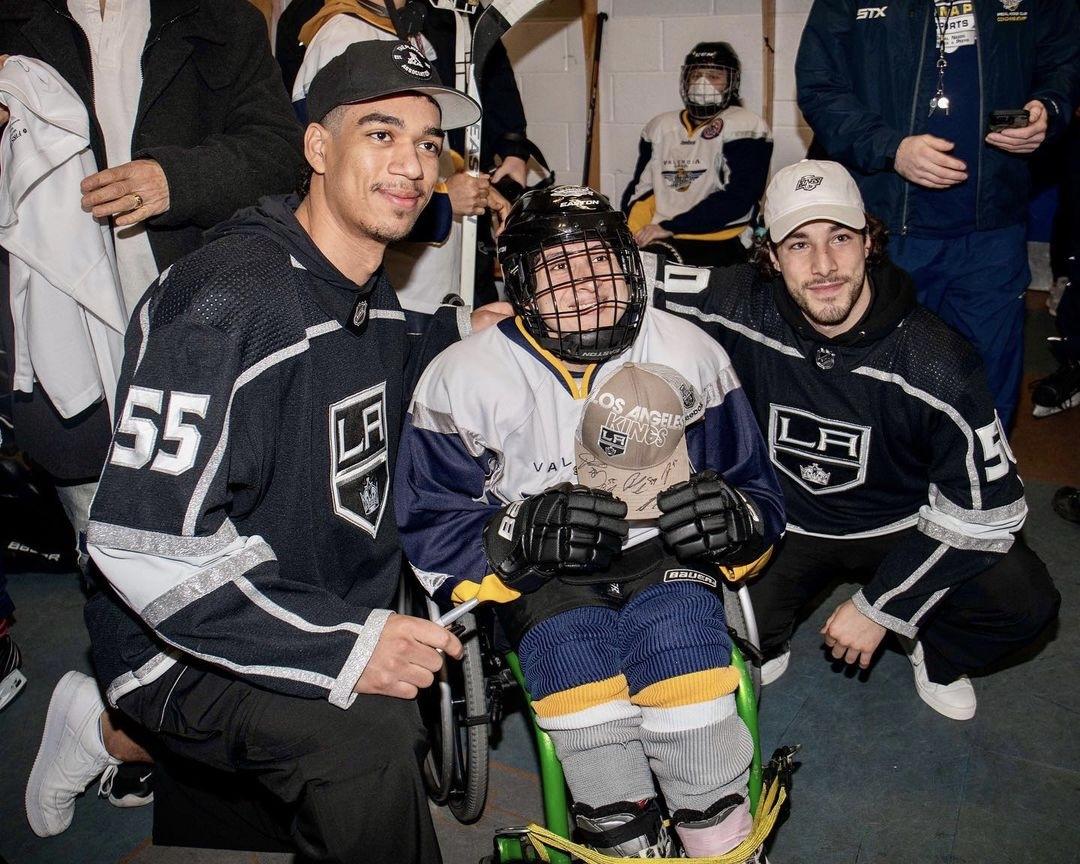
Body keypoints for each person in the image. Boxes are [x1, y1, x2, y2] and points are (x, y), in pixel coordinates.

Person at [24, 40, 508, 861]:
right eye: (381, 134)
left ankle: (109, 738)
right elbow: (142, 547)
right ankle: (123, 716)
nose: (414, 164)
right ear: (318, 149)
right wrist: (342, 647)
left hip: (291, 586)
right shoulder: (229, 298)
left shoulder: (362, 284)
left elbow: (375, 356)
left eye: (429, 143)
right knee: (372, 736)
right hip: (171, 635)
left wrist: (462, 332)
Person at [397, 186, 784, 859]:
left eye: (600, 263)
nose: (585, 288)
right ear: (518, 283)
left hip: (666, 560)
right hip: (542, 581)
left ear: (631, 268)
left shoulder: (691, 352)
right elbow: (428, 522)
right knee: (582, 695)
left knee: (690, 692)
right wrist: (512, 537)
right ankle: (623, 833)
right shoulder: (459, 379)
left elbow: (756, 490)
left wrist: (735, 524)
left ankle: (718, 835)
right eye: (558, 269)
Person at [650, 159, 1060, 722]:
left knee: (1022, 598)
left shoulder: (938, 362)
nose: (823, 266)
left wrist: (883, 606)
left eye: (839, 238)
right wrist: (514, 321)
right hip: (782, 523)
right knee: (708, 639)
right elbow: (621, 280)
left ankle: (936, 649)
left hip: (902, 527)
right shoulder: (742, 301)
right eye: (798, 244)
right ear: (770, 256)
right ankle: (770, 631)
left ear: (869, 242)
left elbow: (991, 513)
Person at [795, 0, 1080, 427]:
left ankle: (981, 489)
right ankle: (893, 491)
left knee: (984, 384)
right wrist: (890, 148)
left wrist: (1049, 109)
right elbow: (819, 86)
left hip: (993, 232)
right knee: (881, 381)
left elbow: (1062, 61)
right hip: (888, 231)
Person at [291, 0, 528, 314]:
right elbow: (331, 184)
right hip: (394, 299)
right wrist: (444, 204)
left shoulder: (411, 31)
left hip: (433, 294)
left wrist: (471, 186)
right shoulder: (343, 34)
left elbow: (423, 138)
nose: (414, 166)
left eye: (425, 148)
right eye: (382, 135)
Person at [621, 42, 773, 268]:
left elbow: (738, 198)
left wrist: (673, 227)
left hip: (720, 237)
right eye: (697, 75)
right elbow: (643, 190)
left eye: (714, 76)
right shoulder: (661, 127)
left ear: (731, 82)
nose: (703, 83)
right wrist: (632, 233)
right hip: (662, 233)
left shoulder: (746, 126)